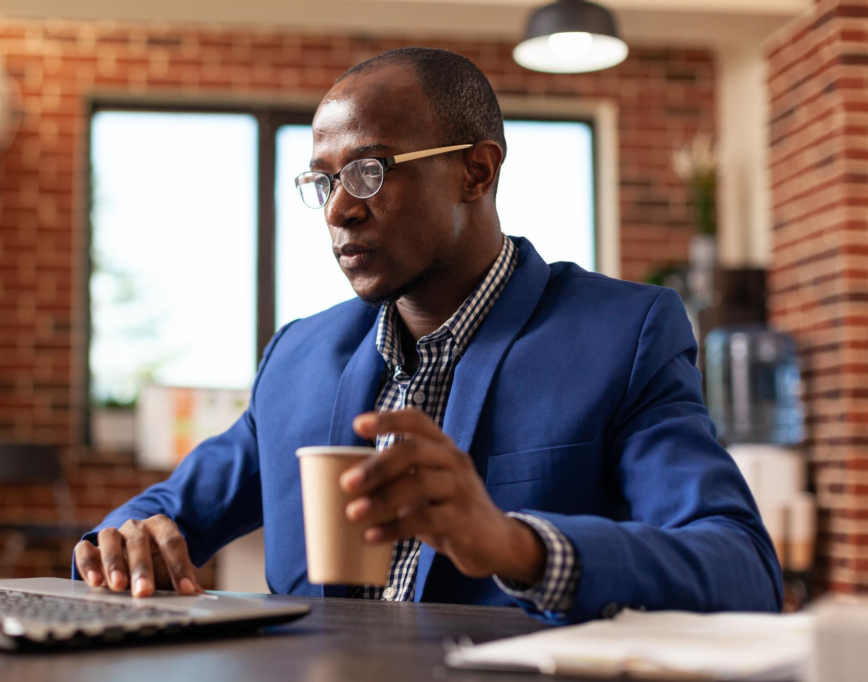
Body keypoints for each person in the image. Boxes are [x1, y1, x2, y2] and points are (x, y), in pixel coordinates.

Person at [73, 47, 782, 624]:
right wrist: (128, 540)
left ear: (476, 171)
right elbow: (168, 510)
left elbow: (741, 567)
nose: (339, 211)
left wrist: (516, 545)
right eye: (324, 182)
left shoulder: (621, 335)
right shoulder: (299, 357)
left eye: (369, 170)